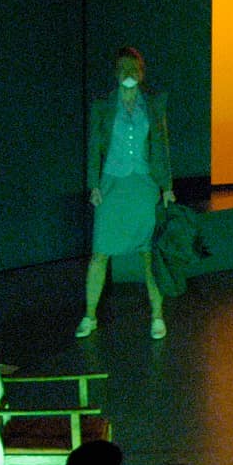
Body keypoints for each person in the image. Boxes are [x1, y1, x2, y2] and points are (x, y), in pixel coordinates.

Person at [78, 46, 176, 340]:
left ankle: (157, 316)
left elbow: (162, 146)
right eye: (123, 68)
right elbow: (93, 145)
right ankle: (89, 316)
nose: (128, 74)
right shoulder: (103, 106)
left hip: (144, 186)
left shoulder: (153, 105)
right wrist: (94, 185)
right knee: (100, 253)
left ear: (141, 73)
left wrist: (167, 187)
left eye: (134, 69)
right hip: (112, 185)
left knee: (149, 255)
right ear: (116, 72)